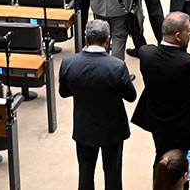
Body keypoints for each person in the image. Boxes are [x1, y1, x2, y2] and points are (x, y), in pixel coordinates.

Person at [58, 19, 137, 190]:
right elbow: (131, 96)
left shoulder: (69, 63)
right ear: (108, 40)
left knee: (85, 172)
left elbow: (64, 92)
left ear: (86, 39)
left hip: (84, 127)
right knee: (113, 174)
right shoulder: (117, 66)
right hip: (112, 130)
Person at [132, 12, 190, 170]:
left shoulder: (146, 53)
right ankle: (189, 178)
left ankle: (159, 180)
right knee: (189, 156)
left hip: (157, 120)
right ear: (178, 36)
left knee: (161, 154)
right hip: (186, 122)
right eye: (188, 30)